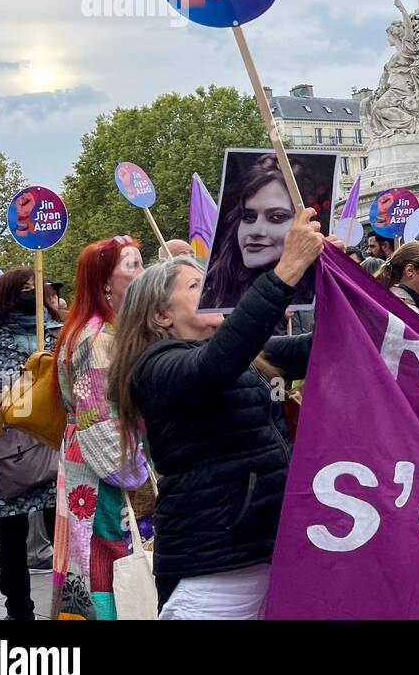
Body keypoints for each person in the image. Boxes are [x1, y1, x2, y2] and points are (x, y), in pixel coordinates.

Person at [107, 209, 327, 618]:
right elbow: (213, 367)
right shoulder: (155, 366)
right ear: (161, 315)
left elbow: (320, 346)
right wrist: (286, 269)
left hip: (268, 550)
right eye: (196, 284)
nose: (213, 289)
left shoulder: (246, 356)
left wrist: (330, 276)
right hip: (213, 569)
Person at [50, 236, 152, 621]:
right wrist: (139, 476)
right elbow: (96, 418)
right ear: (104, 282)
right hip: (104, 466)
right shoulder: (97, 338)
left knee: (100, 557)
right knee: (106, 560)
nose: (143, 273)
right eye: (133, 265)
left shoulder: (111, 330)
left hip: (102, 458)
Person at [0, 267, 61, 620]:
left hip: (55, 448)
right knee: (10, 542)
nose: (30, 294)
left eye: (35, 288)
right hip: (9, 455)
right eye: (23, 289)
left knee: (66, 536)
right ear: (7, 296)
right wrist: (25, 398)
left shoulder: (59, 336)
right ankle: (19, 610)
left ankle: (72, 605)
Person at [203, 154, 314, 310]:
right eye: (249, 216)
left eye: (276, 217)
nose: (256, 231)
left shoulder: (319, 290)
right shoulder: (212, 294)